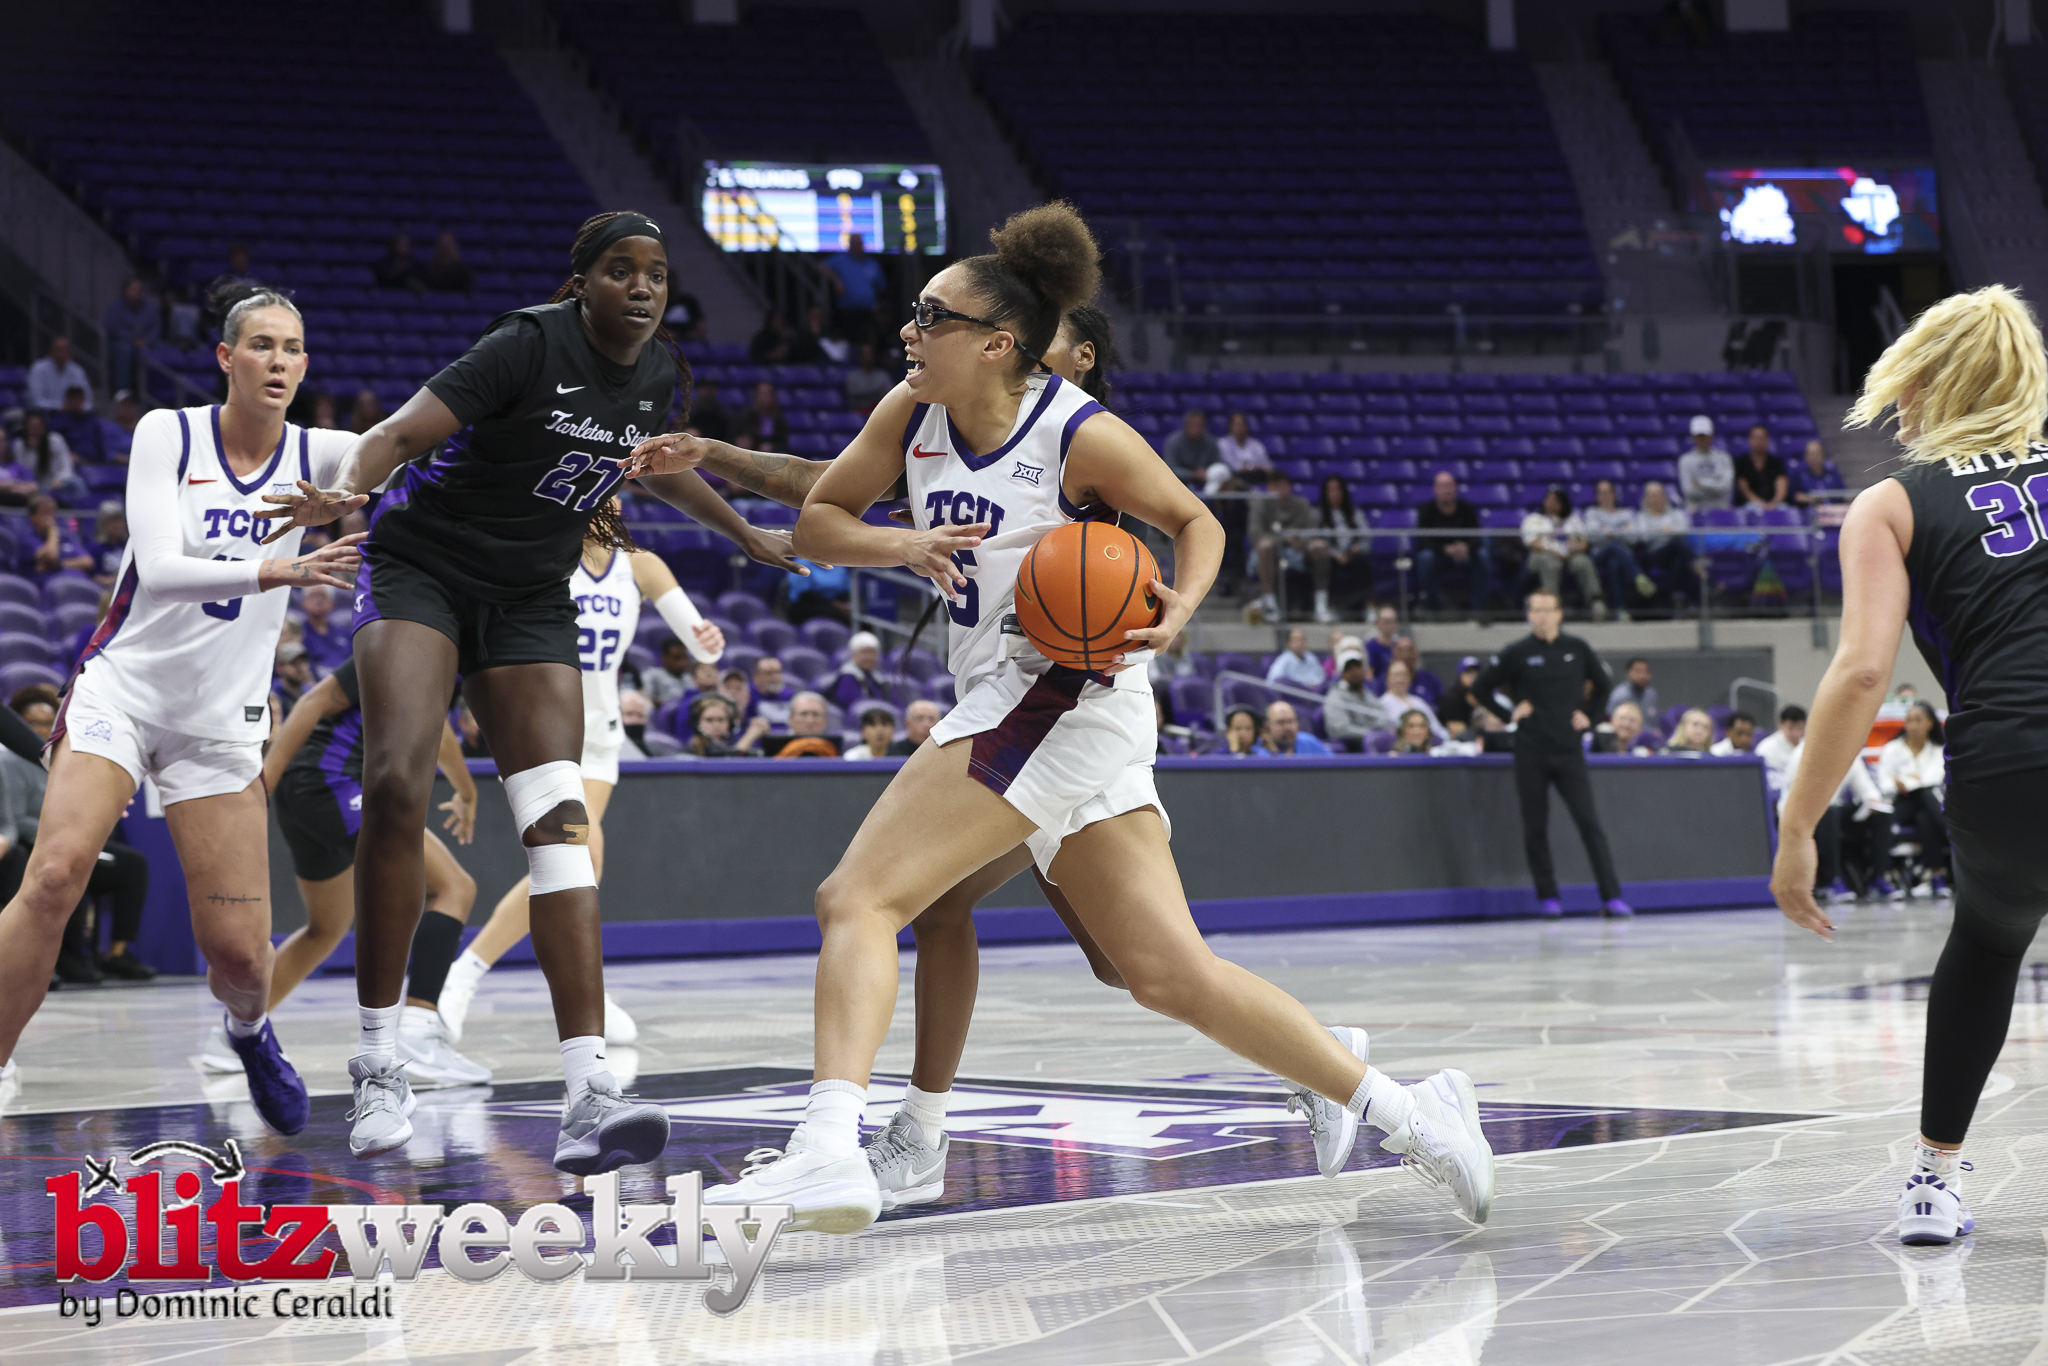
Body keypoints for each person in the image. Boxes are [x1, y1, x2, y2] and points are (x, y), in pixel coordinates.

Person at [628, 202, 1492, 1232]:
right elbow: (820, 517)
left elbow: (1194, 520)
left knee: (855, 897)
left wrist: (1179, 605)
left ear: (998, 342)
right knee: (1159, 971)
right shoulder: (910, 412)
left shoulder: (1077, 431)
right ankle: (1411, 1110)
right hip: (1041, 706)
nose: (907, 329)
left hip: (1059, 690)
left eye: (930, 315)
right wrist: (899, 544)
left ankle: (829, 1148)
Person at [258, 210, 802, 1171]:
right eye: (621, 270)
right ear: (581, 282)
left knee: (560, 826)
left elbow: (657, 470)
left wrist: (745, 533)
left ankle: (589, 1093)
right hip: (423, 569)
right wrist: (348, 491)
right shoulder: (525, 343)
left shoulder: (656, 375)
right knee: (395, 785)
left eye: (657, 274)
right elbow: (399, 433)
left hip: (528, 597)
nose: (643, 288)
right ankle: (379, 1060)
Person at [0, 280, 366, 1133]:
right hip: (123, 691)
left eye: (293, 348)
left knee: (238, 956)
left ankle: (249, 1031)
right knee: (53, 875)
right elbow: (160, 569)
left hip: (220, 723)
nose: (279, 360)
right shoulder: (169, 432)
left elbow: (429, 449)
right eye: (262, 345)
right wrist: (276, 568)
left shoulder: (326, 453)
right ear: (227, 357)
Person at [1770, 284, 2048, 1246]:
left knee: (1988, 942)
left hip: (2009, 760)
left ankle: (1933, 1180)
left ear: (1929, 382)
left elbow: (1860, 674)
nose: (1899, 410)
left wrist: (1798, 825)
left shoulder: (1891, 503)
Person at [437, 516, 723, 1046]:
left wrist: (708, 642)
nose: (602, 496)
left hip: (601, 734)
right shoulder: (543, 550)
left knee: (579, 862)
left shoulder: (642, 565)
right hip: (544, 721)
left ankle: (562, 985)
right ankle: (466, 977)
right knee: (578, 852)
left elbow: (704, 649)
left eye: (611, 487)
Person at [244, 654, 488, 1087]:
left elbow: (439, 733)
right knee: (453, 889)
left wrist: (466, 792)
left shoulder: (440, 657)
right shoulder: (406, 640)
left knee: (327, 927)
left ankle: (239, 1032)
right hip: (333, 782)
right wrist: (261, 786)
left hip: (309, 789)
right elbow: (312, 702)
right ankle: (418, 1031)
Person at [1474, 590, 1631, 918]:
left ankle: (1611, 897)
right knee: (1535, 827)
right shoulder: (1518, 652)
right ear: (1528, 615)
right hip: (1531, 749)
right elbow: (1480, 687)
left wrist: (1590, 716)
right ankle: (1549, 897)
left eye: (1548, 609)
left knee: (1589, 823)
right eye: (1536, 610)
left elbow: (1603, 684)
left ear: (1559, 614)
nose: (1542, 616)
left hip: (1568, 750)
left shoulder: (1577, 648)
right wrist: (1509, 715)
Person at [1877, 700, 1950, 893]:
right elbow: (1884, 784)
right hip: (1900, 804)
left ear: (1930, 724)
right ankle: (1949, 835)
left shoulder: (1937, 750)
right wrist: (1910, 781)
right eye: (1909, 720)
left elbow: (1934, 778)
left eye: (1918, 720)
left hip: (1925, 804)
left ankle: (1935, 875)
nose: (1913, 725)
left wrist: (1904, 779)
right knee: (1925, 797)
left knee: (1925, 817)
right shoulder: (1892, 749)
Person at [1415, 472, 1493, 615]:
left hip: (1464, 555)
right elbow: (1423, 541)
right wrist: (1444, 549)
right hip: (1438, 555)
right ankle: (1434, 606)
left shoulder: (1467, 509)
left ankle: (1477, 609)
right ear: (1435, 489)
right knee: (1425, 557)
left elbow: (1476, 537)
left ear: (1456, 488)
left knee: (1483, 555)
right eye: (1442, 486)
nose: (1446, 490)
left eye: (1449, 485)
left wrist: (1466, 547)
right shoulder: (1426, 510)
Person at [1247, 471, 1320, 624]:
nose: (1278, 490)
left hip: (1296, 552)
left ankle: (1322, 603)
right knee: (1265, 546)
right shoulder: (1260, 506)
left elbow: (1311, 531)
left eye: (1281, 486)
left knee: (1319, 547)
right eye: (1274, 486)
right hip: (1266, 553)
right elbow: (1256, 534)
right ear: (1268, 488)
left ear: (1289, 487)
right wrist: (1282, 539)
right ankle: (1269, 601)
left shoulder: (1301, 504)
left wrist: (1302, 541)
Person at [1521, 487, 1606, 617]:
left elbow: (1584, 541)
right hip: (1542, 556)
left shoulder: (1572, 519)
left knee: (1583, 561)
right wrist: (1553, 552)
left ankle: (1596, 601)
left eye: (1555, 500)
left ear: (1562, 503)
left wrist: (1575, 549)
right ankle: (1551, 604)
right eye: (1548, 500)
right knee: (1550, 562)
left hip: (1570, 555)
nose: (1551, 503)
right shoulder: (1534, 519)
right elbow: (1532, 542)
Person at [1582, 479, 1657, 617]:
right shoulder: (1592, 513)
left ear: (1614, 495)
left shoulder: (1626, 513)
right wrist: (1621, 531)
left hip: (1623, 557)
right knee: (1613, 546)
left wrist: (1608, 531)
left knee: (1614, 563)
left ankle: (1621, 610)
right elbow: (1592, 537)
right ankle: (1638, 575)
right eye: (1601, 493)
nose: (1605, 496)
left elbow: (1634, 538)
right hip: (1599, 555)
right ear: (1597, 497)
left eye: (1608, 492)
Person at [1313, 474, 1369, 622]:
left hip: (1352, 554)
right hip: (1329, 556)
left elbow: (1366, 538)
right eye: (1330, 490)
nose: (1334, 493)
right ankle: (1328, 606)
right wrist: (1334, 553)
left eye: (1337, 489)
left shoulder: (1355, 513)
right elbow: (1315, 540)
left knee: (1362, 562)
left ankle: (1367, 607)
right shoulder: (1318, 515)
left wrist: (1356, 549)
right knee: (1325, 563)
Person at [1634, 481, 1696, 606]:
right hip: (1654, 555)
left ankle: (1678, 601)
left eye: (1658, 494)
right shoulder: (1641, 517)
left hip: (1675, 554)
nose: (1655, 498)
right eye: (1652, 495)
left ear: (1664, 497)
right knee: (1676, 546)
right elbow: (1644, 537)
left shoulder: (1676, 514)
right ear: (1646, 499)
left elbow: (1684, 530)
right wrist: (1664, 530)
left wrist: (1660, 532)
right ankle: (1699, 567)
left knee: (1679, 559)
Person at [820, 233, 888, 345]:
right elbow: (820, 266)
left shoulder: (872, 263)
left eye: (859, 244)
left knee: (866, 343)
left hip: (868, 312)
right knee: (848, 343)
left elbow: (881, 287)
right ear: (850, 245)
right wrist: (835, 279)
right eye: (854, 244)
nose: (857, 247)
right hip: (847, 312)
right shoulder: (841, 260)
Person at [104, 277, 160, 396]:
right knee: (123, 349)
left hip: (146, 343)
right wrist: (132, 340)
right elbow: (112, 328)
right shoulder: (116, 307)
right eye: (133, 289)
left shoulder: (149, 307)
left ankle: (155, 393)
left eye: (139, 289)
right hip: (123, 343)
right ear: (125, 290)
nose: (137, 292)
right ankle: (122, 391)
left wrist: (147, 340)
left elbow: (156, 328)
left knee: (163, 349)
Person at [1323, 650, 1389, 750]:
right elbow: (1339, 729)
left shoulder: (1367, 694)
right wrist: (1370, 733)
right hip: (1352, 746)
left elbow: (1382, 716)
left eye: (1358, 667)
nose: (1355, 672)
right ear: (1342, 673)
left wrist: (1379, 731)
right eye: (1349, 669)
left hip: (1374, 740)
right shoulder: (1335, 696)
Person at [12, 418, 84, 507]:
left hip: (57, 481)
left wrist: (60, 479)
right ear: (26, 428)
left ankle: (83, 510)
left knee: (76, 482)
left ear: (43, 427)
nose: (35, 430)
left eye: (38, 426)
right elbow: (21, 469)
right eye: (32, 426)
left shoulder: (55, 440)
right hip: (32, 484)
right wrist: (33, 451)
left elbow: (66, 465)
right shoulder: (20, 444)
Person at [21, 495, 93, 575]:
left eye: (52, 512)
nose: (50, 518)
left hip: (75, 577)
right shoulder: (27, 538)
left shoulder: (66, 536)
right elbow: (50, 557)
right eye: (45, 513)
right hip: (49, 580)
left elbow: (87, 562)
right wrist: (52, 529)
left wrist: (58, 565)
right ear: (32, 517)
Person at [1378, 660, 1445, 742]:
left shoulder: (1419, 702)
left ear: (1410, 678)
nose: (1400, 679)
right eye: (1396, 675)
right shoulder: (1381, 704)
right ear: (1387, 679)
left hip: (1431, 744)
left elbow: (1438, 729)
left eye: (1404, 675)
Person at [1679, 415, 1734, 510]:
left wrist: (1700, 483)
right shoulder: (1685, 460)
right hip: (1696, 510)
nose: (1702, 439)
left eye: (1704, 435)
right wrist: (1716, 484)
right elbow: (1689, 492)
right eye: (1699, 436)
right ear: (1693, 437)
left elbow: (1726, 488)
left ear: (1711, 435)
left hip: (1721, 509)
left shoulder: (1724, 458)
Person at [826, 631, 890, 711]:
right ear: (853, 655)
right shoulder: (847, 677)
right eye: (865, 652)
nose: (869, 657)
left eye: (872, 652)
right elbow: (855, 706)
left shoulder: (877, 678)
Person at [297, 583, 350, 677]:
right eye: (313, 595)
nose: (318, 600)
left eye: (322, 596)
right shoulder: (298, 633)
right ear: (304, 602)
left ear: (332, 602)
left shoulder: (346, 633)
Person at [26, 335, 92, 412]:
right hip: (46, 413)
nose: (60, 355)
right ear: (51, 352)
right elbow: (36, 401)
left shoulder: (77, 370)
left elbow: (88, 401)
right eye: (57, 351)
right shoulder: (38, 368)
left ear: (69, 353)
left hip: (73, 414)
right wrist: (62, 406)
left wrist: (76, 406)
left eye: (64, 351)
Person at [765, 691, 840, 757]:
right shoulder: (772, 744)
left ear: (825, 719)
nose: (810, 721)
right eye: (804, 714)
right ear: (791, 718)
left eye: (815, 714)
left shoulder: (839, 748)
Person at [1733, 424, 1788, 510]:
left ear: (1767, 440)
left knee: (1784, 509)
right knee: (1754, 509)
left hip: (1773, 503)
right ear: (1749, 440)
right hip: (1750, 503)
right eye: (1756, 438)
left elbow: (1781, 484)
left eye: (1762, 438)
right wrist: (1761, 504)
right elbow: (1744, 489)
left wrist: (1774, 503)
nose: (1759, 441)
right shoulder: (1741, 462)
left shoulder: (1776, 462)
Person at [1754, 703, 1807, 794]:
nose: (1796, 733)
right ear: (1780, 726)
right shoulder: (1766, 748)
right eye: (1791, 728)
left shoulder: (1807, 745)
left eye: (1800, 728)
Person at [1254, 699, 1331, 755]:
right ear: (1267, 726)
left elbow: (1334, 764)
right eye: (1281, 722)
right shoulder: (1258, 749)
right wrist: (1275, 753)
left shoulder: (1308, 742)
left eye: (1291, 721)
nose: (1287, 727)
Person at [1789, 439, 1846, 510]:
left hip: (1833, 511)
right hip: (1808, 511)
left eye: (1817, 453)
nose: (1814, 457)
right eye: (1811, 454)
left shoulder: (1832, 473)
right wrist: (1810, 499)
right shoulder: (1799, 474)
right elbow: (1794, 496)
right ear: (1806, 456)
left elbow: (1842, 493)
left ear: (1824, 455)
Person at [1164, 409, 1220, 480]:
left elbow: (1217, 464)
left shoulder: (1210, 442)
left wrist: (1207, 472)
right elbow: (1169, 468)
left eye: (1199, 425)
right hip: (1179, 481)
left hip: (1207, 479)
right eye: (1193, 424)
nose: (1196, 428)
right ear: (1186, 425)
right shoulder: (1173, 441)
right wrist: (1193, 474)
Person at [1436, 655, 1485, 737]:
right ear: (1460, 675)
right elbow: (1456, 728)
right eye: (1468, 672)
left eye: (1476, 672)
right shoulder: (1450, 698)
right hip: (1457, 740)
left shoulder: (1485, 695)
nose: (1473, 676)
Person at [735, 380, 789, 452]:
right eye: (762, 394)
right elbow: (738, 435)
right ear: (756, 396)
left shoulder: (779, 418)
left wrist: (772, 446)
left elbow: (784, 442)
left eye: (767, 394)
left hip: (773, 454)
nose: (764, 397)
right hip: (752, 452)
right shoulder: (747, 415)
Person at [1389, 636, 1441, 707]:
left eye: (1410, 650)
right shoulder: (1383, 681)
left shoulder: (1429, 678)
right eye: (1401, 651)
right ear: (1394, 655)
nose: (1406, 655)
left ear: (1416, 654)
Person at [1215, 412, 1271, 477]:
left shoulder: (1256, 444)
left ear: (1247, 427)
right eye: (1237, 425)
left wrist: (1253, 469)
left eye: (1242, 425)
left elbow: (1267, 467)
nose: (1240, 428)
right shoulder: (1222, 444)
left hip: (1257, 477)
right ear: (1230, 426)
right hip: (1233, 478)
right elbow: (1234, 467)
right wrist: (1253, 469)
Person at [750, 654, 797, 730]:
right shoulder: (749, 696)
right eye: (768, 673)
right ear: (756, 677)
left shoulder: (789, 695)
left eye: (778, 672)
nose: (774, 678)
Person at [643, 636, 694, 705]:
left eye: (684, 658)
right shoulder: (652, 675)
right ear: (664, 657)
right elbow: (646, 699)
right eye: (677, 658)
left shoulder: (687, 677)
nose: (683, 662)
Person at [844, 343, 893, 412]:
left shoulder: (882, 375)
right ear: (859, 356)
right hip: (859, 412)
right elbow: (853, 395)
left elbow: (890, 395)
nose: (867, 357)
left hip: (880, 411)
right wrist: (876, 392)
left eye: (870, 354)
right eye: (865, 354)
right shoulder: (852, 376)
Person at [90, 502, 128, 586]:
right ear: (103, 524)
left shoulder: (129, 547)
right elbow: (96, 577)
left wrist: (113, 579)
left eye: (120, 521)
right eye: (112, 521)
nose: (118, 526)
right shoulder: (95, 549)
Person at [271, 641, 313, 715]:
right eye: (293, 663)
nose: (301, 668)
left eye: (303, 661)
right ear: (279, 667)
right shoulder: (273, 695)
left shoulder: (310, 691)